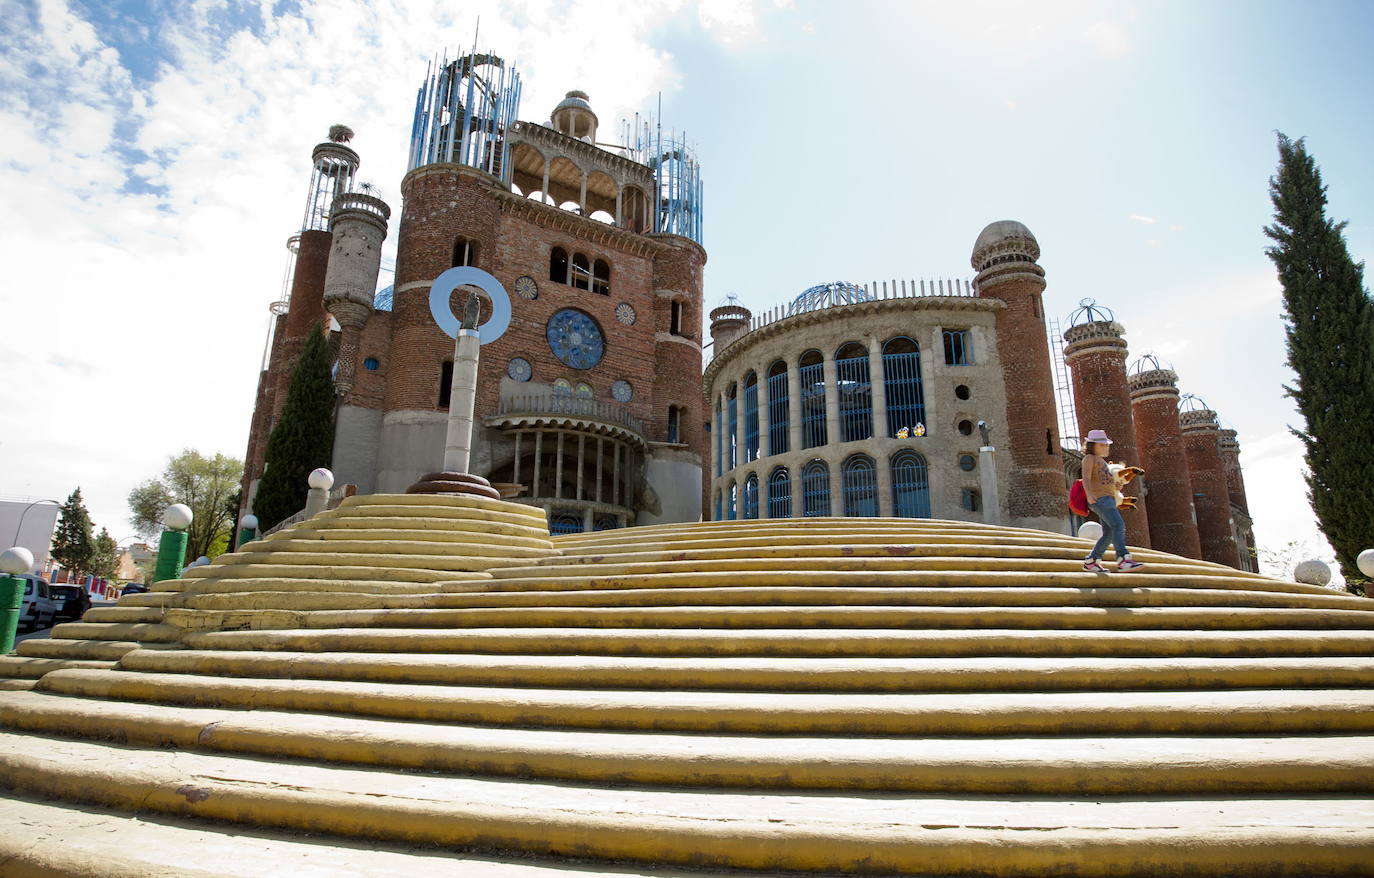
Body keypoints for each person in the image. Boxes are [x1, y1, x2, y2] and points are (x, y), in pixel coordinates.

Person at [1081, 429, 1144, 573]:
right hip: (1100, 499)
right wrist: (1089, 494)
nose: (1105, 447)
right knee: (1118, 525)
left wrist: (1116, 486)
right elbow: (1086, 477)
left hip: (1108, 498)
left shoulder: (1102, 462)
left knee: (1109, 532)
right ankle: (1123, 559)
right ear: (1092, 445)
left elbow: (1105, 480)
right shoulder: (1089, 458)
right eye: (1101, 445)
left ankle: (1092, 561)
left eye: (1106, 444)